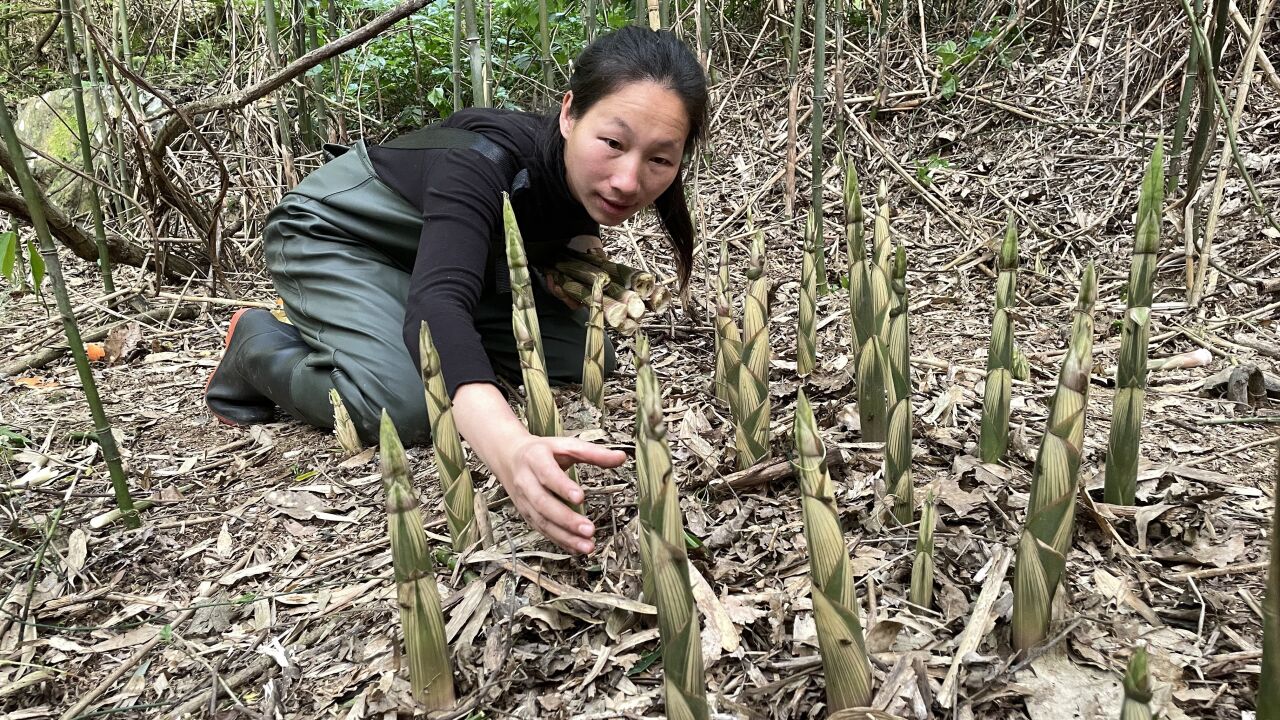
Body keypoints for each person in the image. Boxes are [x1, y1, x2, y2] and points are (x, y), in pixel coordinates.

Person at [204, 26, 708, 556]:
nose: (629, 180)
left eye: (659, 159)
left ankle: (387, 326)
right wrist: (509, 448)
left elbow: (550, 229)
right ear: (568, 114)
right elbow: (438, 301)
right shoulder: (481, 162)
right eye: (613, 143)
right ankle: (256, 346)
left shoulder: (586, 179)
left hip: (445, 264)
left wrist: (580, 260)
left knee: (583, 357)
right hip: (337, 236)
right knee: (404, 406)